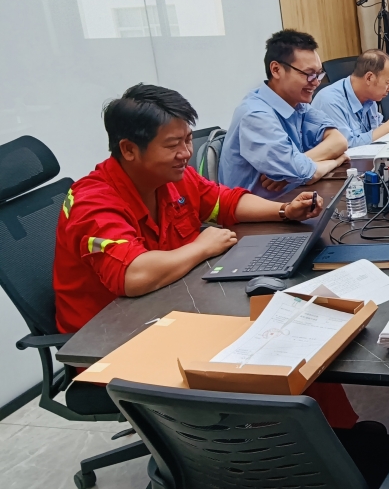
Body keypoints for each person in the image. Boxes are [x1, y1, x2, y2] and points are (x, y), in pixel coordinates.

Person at [53, 84, 358, 428]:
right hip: (116, 341)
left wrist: (284, 210)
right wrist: (202, 246)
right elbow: (132, 275)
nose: (186, 153)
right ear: (128, 149)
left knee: (292, 338)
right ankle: (291, 448)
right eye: (173, 145)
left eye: (187, 140)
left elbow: (223, 201)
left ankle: (344, 437)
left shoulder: (169, 177)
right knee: (273, 358)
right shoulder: (93, 201)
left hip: (171, 309)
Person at [220, 29, 349, 198]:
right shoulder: (255, 115)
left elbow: (339, 141)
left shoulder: (298, 104)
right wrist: (337, 160)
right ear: (276, 70)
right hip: (259, 211)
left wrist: (295, 164)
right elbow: (307, 174)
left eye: (318, 74)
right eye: (309, 74)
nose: (316, 82)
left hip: (292, 199)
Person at [311, 49, 389, 147]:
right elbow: (346, 145)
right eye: (388, 83)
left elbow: (375, 130)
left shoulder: (369, 97)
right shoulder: (330, 101)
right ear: (369, 78)